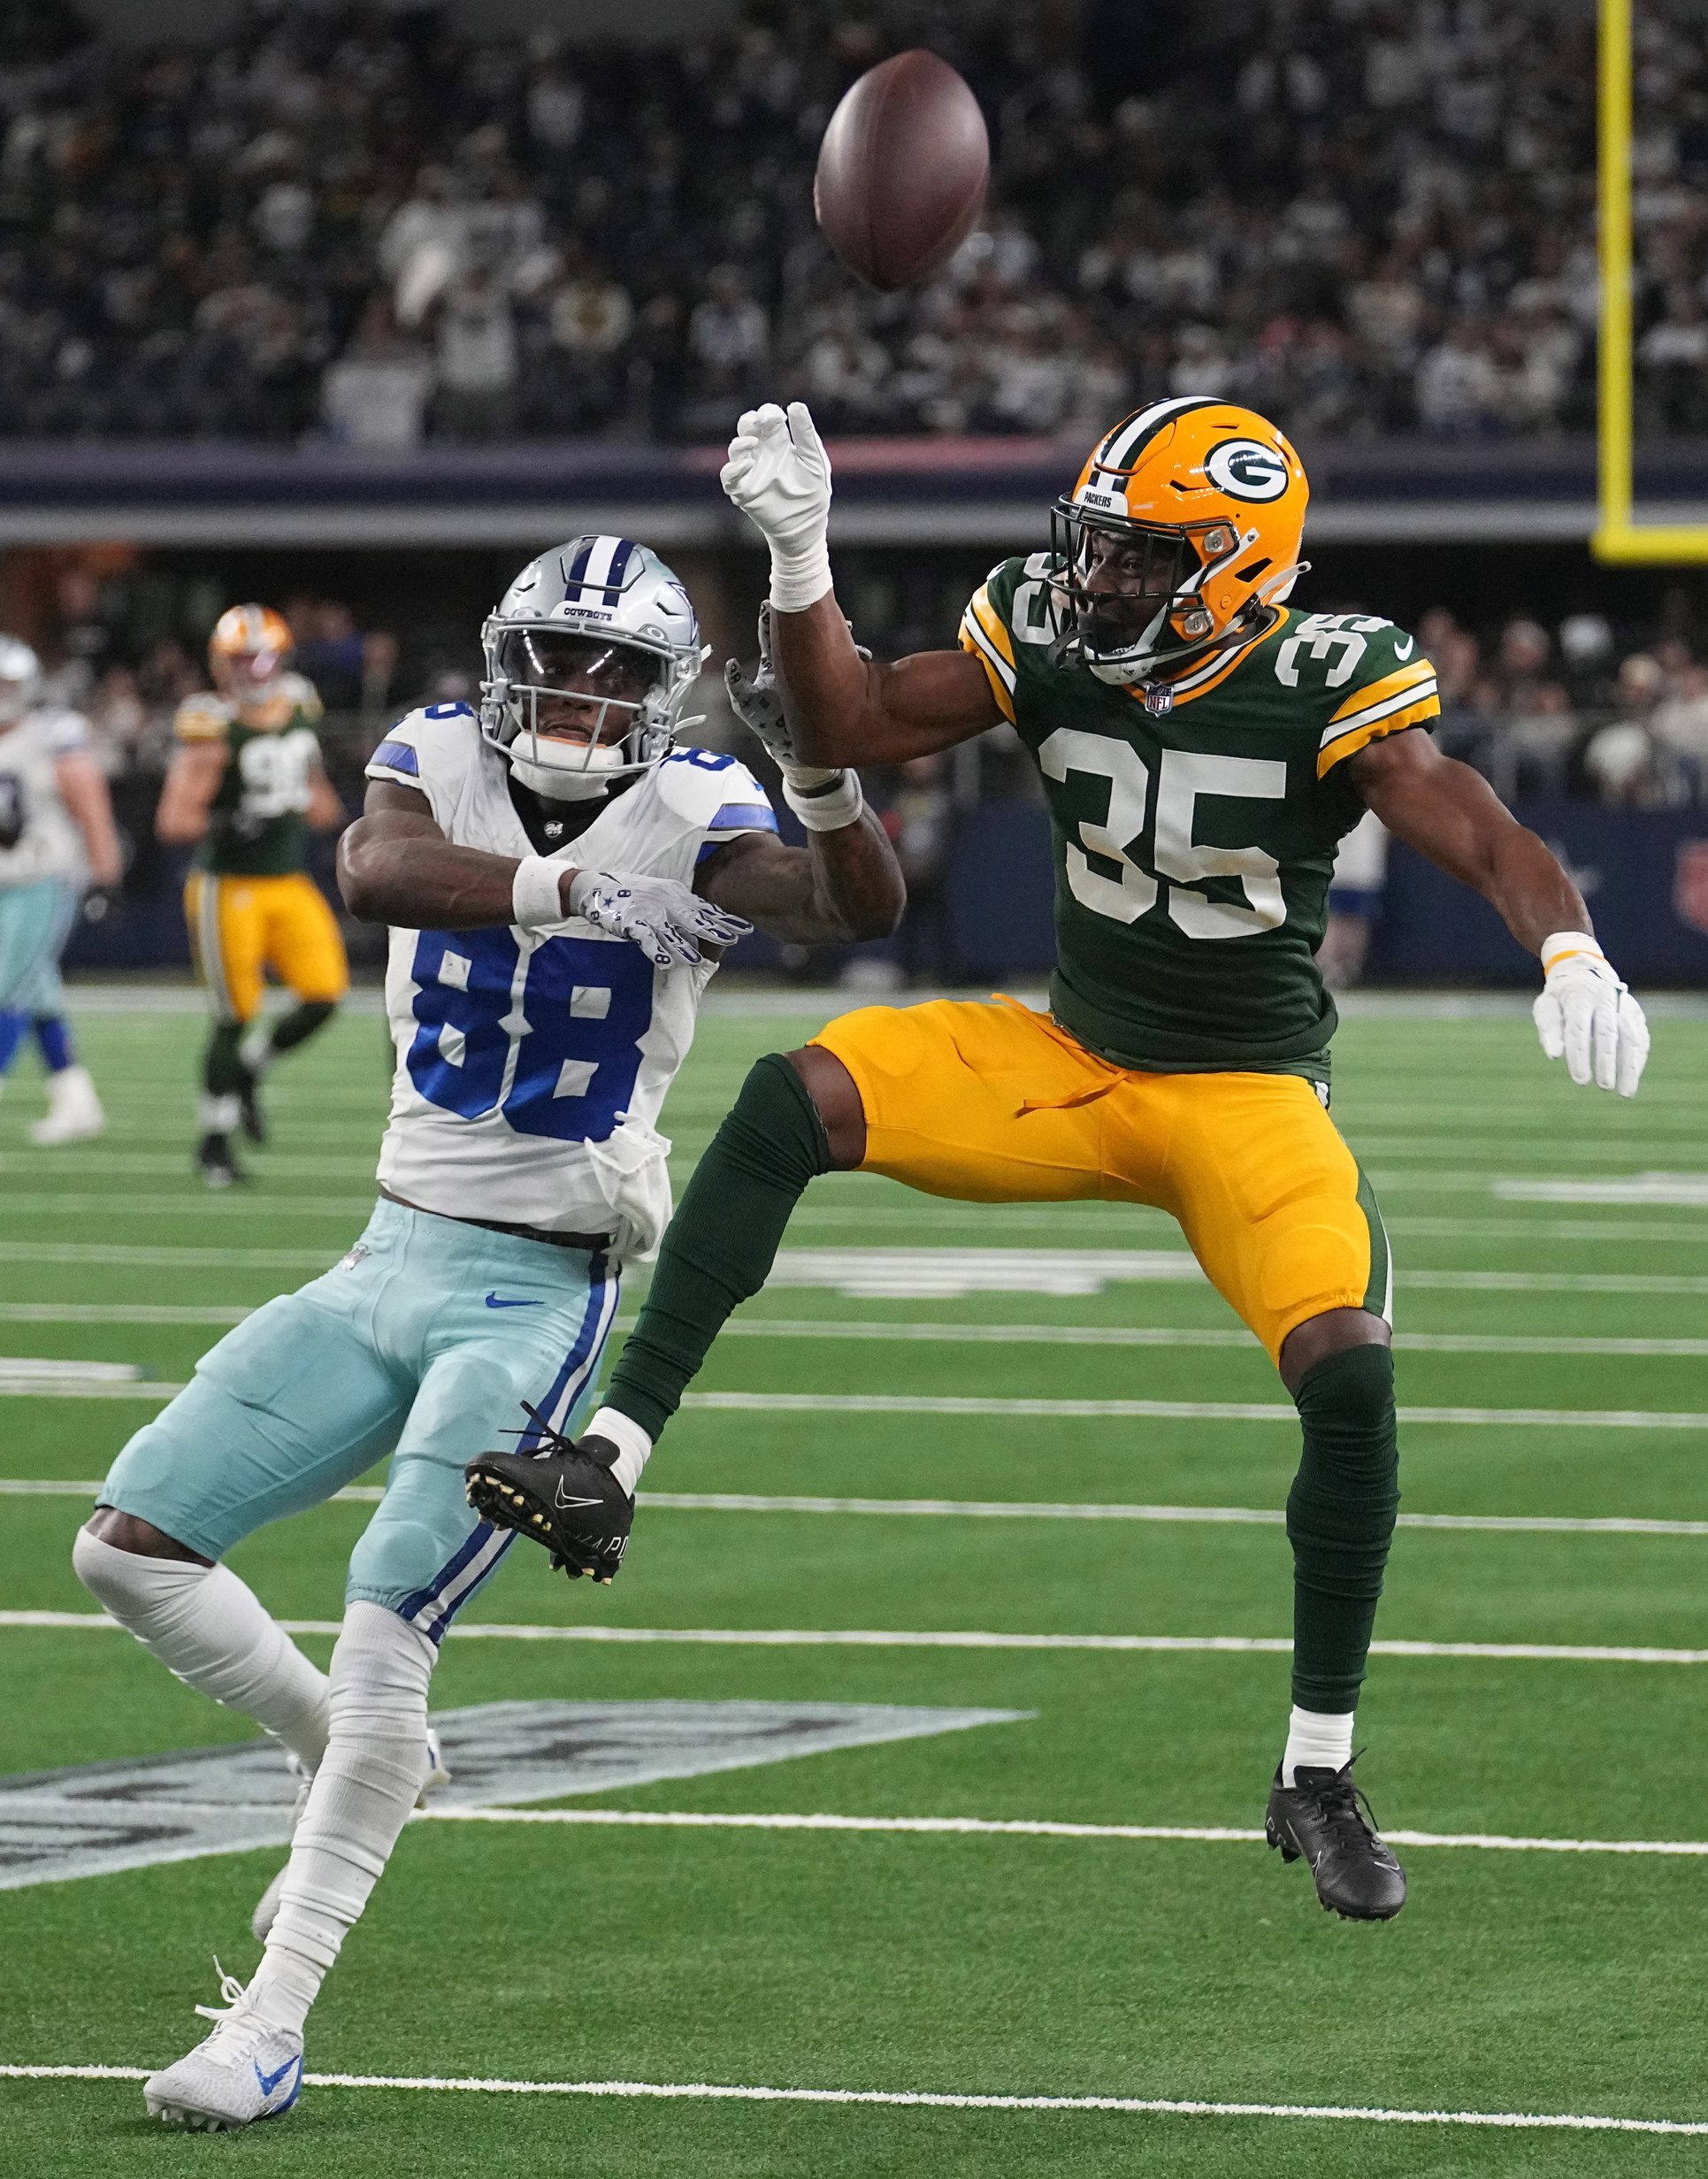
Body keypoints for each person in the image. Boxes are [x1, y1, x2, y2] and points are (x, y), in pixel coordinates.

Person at [473, 399, 1653, 1929]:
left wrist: (1564, 940)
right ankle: (611, 1457)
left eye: (1136, 559)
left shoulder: (1323, 672)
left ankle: (1318, 1766)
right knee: (792, 1101)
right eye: (1092, 547)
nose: (1091, 582)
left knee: (1349, 1373)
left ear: (1235, 569)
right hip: (1071, 1064)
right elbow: (861, 719)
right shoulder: (1048, 627)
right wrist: (800, 556)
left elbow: (1482, 828)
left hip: (1241, 1093)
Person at [73, 533, 902, 2132]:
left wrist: (823, 780)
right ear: (505, 652)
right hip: (388, 1246)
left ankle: (274, 2015)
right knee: (128, 1543)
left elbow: (844, 905)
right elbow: (373, 871)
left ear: (663, 694)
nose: (580, 690)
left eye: (614, 667)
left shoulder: (702, 802)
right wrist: (571, 886)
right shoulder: (439, 747)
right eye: (558, 655)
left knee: (390, 1625)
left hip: (537, 1282)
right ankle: (344, 1749)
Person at [156, 606, 348, 1186]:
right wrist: (224, 821)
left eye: (262, 656)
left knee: (324, 994)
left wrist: (332, 816)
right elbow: (174, 819)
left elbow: (317, 793)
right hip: (228, 886)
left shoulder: (301, 704)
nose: (254, 669)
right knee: (233, 1012)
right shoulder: (210, 722)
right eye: (242, 658)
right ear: (220, 662)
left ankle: (248, 1070)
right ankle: (213, 1140)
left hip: (287, 878)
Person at [0, 635, 122, 1141]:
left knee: (6, 989)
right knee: (39, 992)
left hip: (42, 881)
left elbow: (90, 805)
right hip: (5, 882)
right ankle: (76, 1102)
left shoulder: (52, 735)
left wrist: (104, 874)